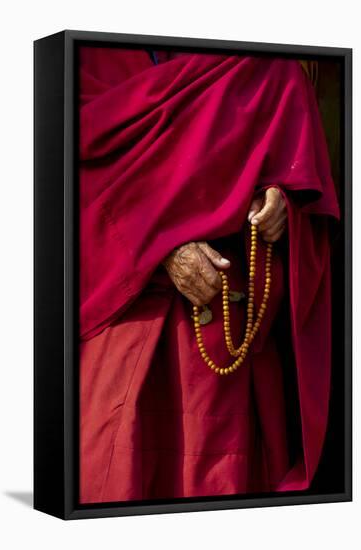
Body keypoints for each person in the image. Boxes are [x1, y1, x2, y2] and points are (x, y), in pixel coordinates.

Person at [79, 46, 340, 503]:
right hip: (129, 322)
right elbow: (63, 179)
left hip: (233, 333)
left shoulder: (266, 64)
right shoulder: (86, 58)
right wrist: (160, 246)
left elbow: (303, 187)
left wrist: (281, 206)